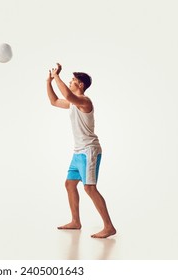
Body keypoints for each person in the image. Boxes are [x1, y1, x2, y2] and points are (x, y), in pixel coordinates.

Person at [46, 63, 116, 238]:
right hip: (78, 152)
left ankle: (109, 227)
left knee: (90, 188)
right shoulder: (72, 104)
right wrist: (48, 82)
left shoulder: (84, 101)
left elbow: (68, 95)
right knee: (70, 184)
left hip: (89, 151)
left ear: (81, 85)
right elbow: (54, 101)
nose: (70, 82)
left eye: (73, 80)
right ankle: (76, 221)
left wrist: (56, 76)